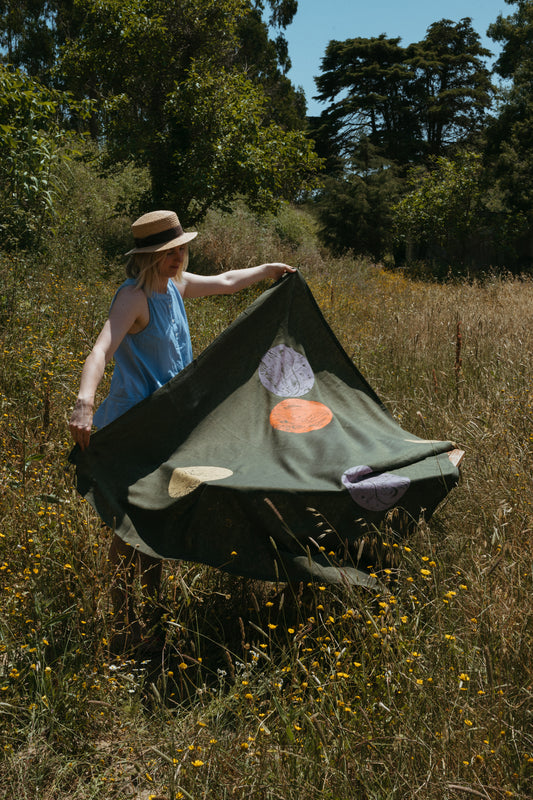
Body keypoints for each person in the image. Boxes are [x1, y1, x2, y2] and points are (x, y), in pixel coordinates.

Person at [69, 209, 295, 652]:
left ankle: (149, 628)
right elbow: (100, 349)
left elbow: (229, 280)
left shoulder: (178, 285)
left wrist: (268, 271)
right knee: (124, 531)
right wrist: (84, 401)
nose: (179, 258)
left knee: (155, 526)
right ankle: (120, 632)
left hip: (169, 426)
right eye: (169, 253)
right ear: (149, 257)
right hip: (132, 428)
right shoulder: (132, 299)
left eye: (182, 250)